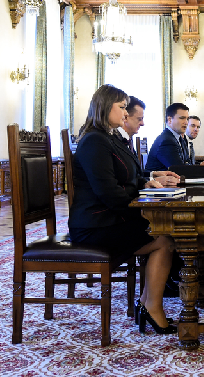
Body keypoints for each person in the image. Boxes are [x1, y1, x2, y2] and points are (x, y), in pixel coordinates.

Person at [68, 84, 181, 334]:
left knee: (165, 233)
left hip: (110, 218)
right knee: (164, 239)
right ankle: (151, 307)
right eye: (121, 107)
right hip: (95, 225)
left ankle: (148, 304)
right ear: (105, 107)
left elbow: (127, 178)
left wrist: (145, 184)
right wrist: (143, 208)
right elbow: (109, 193)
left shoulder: (108, 138)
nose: (125, 113)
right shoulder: (94, 141)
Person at [145, 103, 191, 173]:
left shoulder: (180, 139)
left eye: (187, 119)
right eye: (182, 118)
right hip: (158, 180)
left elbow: (187, 163)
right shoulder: (167, 141)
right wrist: (203, 169)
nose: (186, 122)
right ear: (169, 120)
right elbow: (180, 170)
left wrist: (201, 166)